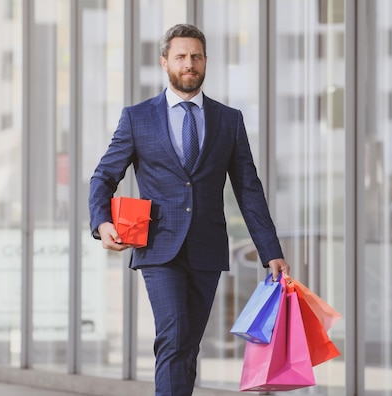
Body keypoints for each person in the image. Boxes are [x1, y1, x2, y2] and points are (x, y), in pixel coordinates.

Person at [88, 23, 290, 396]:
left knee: (187, 345)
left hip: (207, 248)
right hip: (158, 248)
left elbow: (248, 188)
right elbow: (104, 176)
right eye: (180, 56)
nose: (189, 63)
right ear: (165, 62)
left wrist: (270, 250)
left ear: (205, 62)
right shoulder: (138, 117)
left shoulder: (229, 120)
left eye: (196, 56)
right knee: (175, 333)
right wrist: (102, 223)